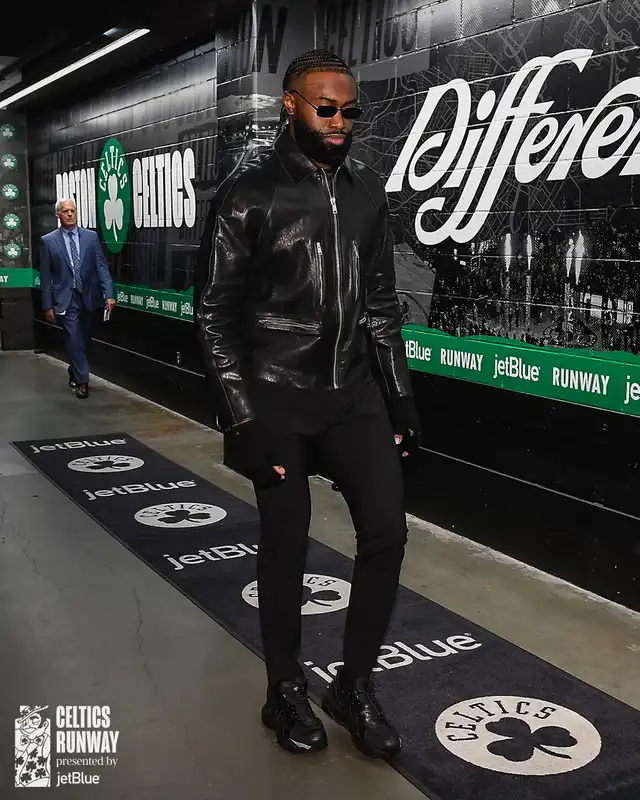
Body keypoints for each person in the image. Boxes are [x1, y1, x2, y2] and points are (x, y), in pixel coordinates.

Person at [197, 49, 421, 759]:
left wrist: (400, 400)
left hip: (353, 395)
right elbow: (214, 314)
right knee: (286, 546)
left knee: (387, 533)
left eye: (350, 109)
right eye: (325, 107)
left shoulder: (366, 191)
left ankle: (352, 686)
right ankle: (285, 689)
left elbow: (382, 306)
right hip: (277, 398)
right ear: (289, 105)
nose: (339, 120)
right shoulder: (248, 193)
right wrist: (242, 416)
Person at [40, 199, 116, 398]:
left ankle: (74, 369)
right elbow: (46, 276)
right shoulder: (49, 241)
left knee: (84, 339)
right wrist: (48, 305)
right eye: (66, 211)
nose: (70, 214)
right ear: (58, 215)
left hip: (89, 297)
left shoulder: (90, 238)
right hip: (66, 298)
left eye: (73, 210)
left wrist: (109, 293)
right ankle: (83, 381)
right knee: (73, 338)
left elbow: (101, 267)